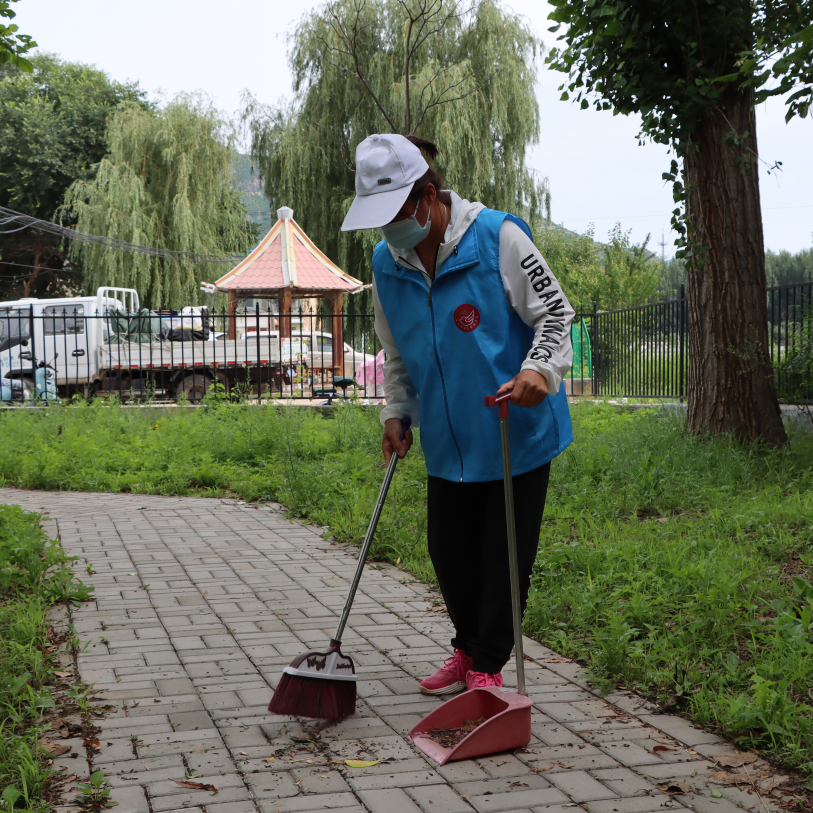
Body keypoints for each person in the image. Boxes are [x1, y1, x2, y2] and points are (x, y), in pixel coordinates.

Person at [341, 133, 574, 693]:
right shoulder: (386, 261)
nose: (388, 228)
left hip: (511, 427)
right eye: (378, 218)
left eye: (396, 212)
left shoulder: (498, 236)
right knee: (448, 551)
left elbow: (557, 315)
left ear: (428, 195)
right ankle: (468, 649)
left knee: (502, 554)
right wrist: (396, 410)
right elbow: (397, 351)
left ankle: (489, 666)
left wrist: (539, 370)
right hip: (448, 437)